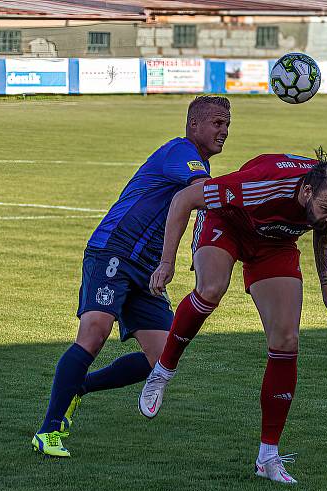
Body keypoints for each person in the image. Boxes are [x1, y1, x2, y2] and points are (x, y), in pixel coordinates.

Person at [139, 148, 327, 484]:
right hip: (228, 224)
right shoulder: (261, 184)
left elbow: (326, 231)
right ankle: (163, 370)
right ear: (305, 191)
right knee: (212, 288)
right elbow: (183, 199)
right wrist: (166, 263)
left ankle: (267, 456)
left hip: (275, 243)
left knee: (287, 340)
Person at [32, 96, 231, 458]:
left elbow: (199, 207)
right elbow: (204, 195)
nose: (224, 131)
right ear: (194, 126)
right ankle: (48, 431)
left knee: (163, 356)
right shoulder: (181, 151)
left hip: (145, 267)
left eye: (227, 125)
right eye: (217, 123)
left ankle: (80, 387)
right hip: (114, 250)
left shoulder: (197, 165)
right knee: (94, 331)